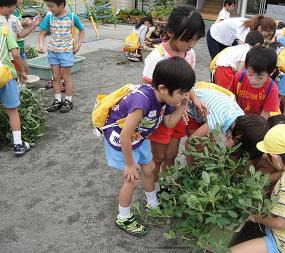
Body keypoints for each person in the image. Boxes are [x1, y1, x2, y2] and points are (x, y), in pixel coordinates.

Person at [103, 57, 195, 236]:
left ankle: (152, 203)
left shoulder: (165, 100)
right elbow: (124, 136)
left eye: (187, 92)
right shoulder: (142, 101)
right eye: (182, 93)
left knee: (150, 168)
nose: (185, 96)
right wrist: (130, 164)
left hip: (137, 136)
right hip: (120, 136)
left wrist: (182, 106)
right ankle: (123, 217)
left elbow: (168, 123)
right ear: (162, 88)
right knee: (132, 178)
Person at [143, 5, 206, 194]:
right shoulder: (157, 57)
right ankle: (151, 191)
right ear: (171, 33)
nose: (192, 44)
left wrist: (193, 99)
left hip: (179, 113)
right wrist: (163, 111)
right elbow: (147, 88)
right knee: (159, 156)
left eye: (196, 39)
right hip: (161, 113)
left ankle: (165, 185)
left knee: (171, 154)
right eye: (188, 39)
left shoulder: (190, 54)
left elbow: (187, 84)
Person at [230, 124, 285, 253]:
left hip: (283, 241)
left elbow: (281, 223)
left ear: (274, 157)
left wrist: (254, 217)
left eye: (267, 156)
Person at [38, 0, 85, 113]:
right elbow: (42, 33)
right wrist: (40, 45)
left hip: (66, 52)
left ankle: (68, 100)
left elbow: (82, 30)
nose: (49, 9)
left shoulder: (72, 17)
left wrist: (78, 44)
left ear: (61, 5)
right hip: (53, 51)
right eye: (48, 6)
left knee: (66, 77)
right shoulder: (49, 17)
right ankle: (57, 100)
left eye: (51, 6)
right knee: (55, 76)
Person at [0, 0, 29, 155]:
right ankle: (18, 144)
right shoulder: (3, 30)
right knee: (12, 110)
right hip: (6, 74)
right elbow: (16, 53)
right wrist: (22, 71)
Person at [228, 46, 279, 119]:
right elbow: (229, 97)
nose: (254, 80)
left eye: (260, 77)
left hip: (255, 122)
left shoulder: (272, 89)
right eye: (250, 74)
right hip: (235, 116)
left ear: (271, 73)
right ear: (246, 67)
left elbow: (264, 114)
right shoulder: (239, 78)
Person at [206, 15, 276, 59]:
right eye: (266, 36)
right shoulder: (245, 30)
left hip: (228, 38)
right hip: (214, 36)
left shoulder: (253, 27)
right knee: (217, 61)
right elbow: (243, 50)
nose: (264, 38)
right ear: (260, 28)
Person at [0, 0, 40, 74]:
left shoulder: (14, 19)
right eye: (8, 7)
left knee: (15, 76)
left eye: (13, 6)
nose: (11, 9)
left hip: (13, 55)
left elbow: (21, 34)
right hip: (2, 57)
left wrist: (33, 25)